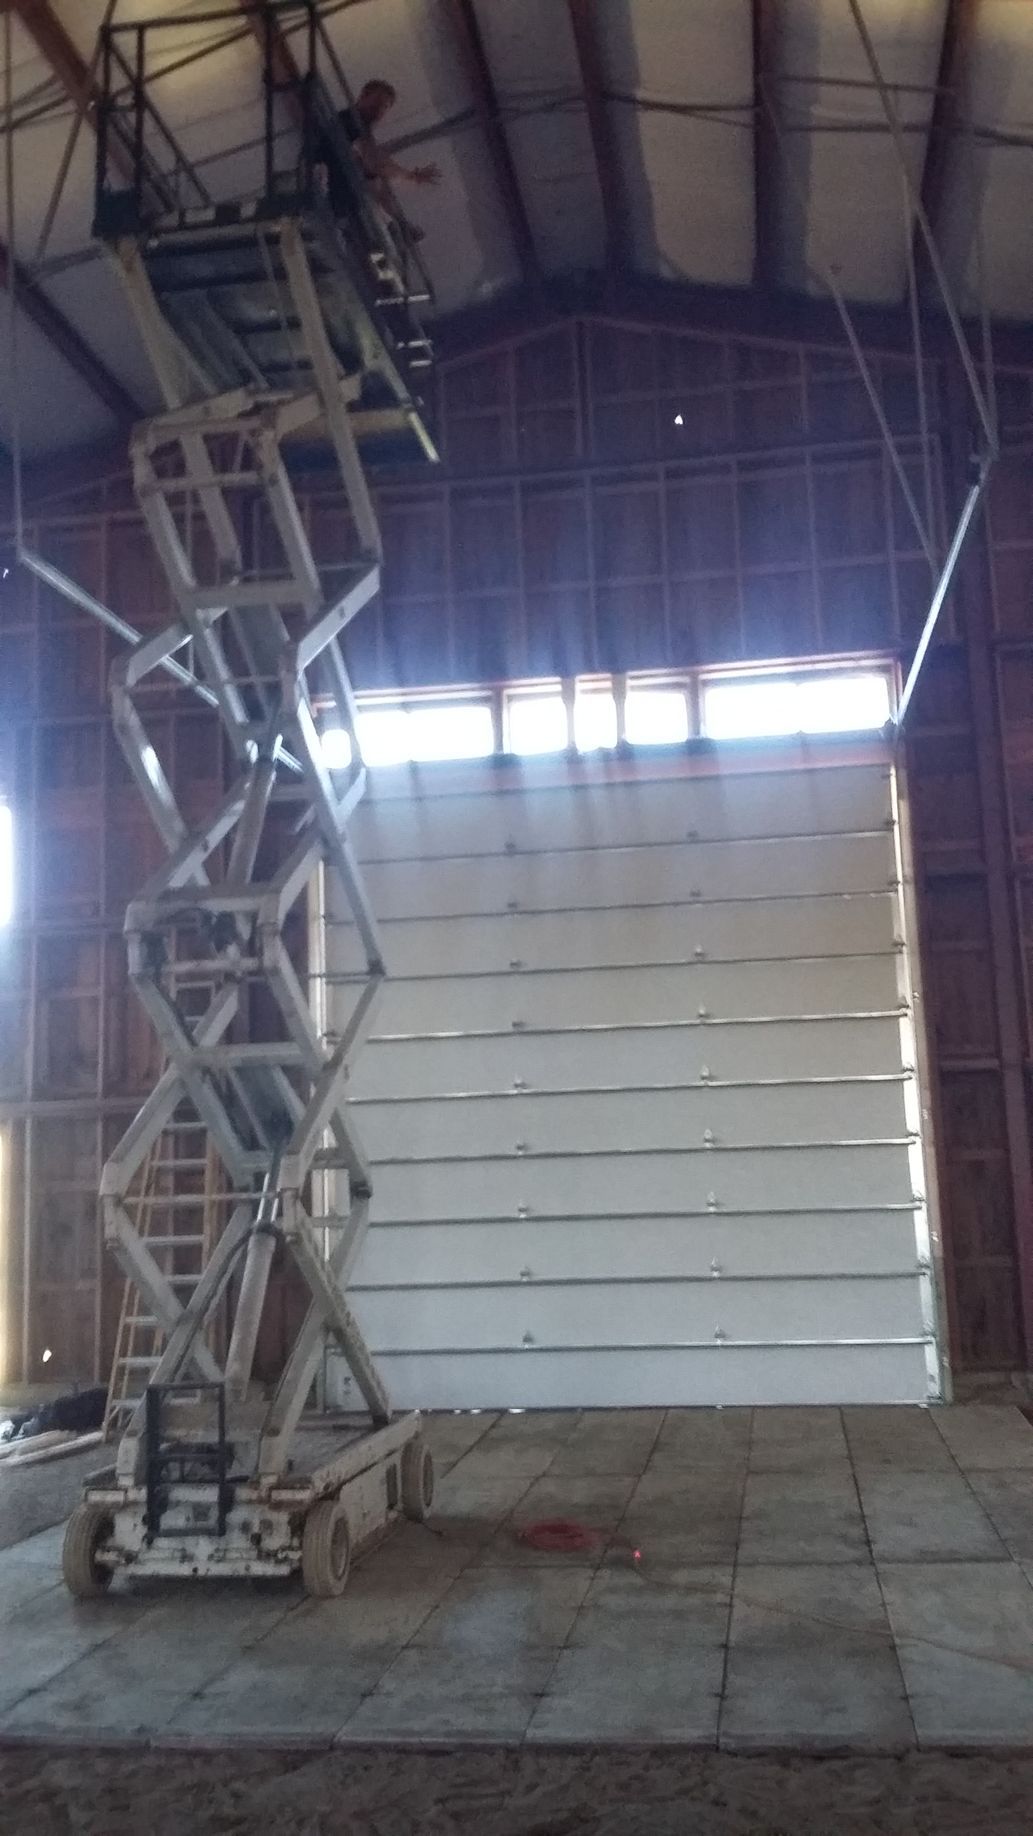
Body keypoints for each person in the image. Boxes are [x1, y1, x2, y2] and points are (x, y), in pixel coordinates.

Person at [315, 79, 440, 244]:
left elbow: (375, 158)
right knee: (372, 176)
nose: (380, 110)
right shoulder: (350, 121)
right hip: (331, 193)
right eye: (377, 102)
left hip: (339, 195)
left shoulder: (356, 127)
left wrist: (408, 175)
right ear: (363, 96)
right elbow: (375, 161)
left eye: (385, 106)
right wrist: (410, 176)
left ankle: (399, 226)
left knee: (372, 178)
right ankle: (399, 227)